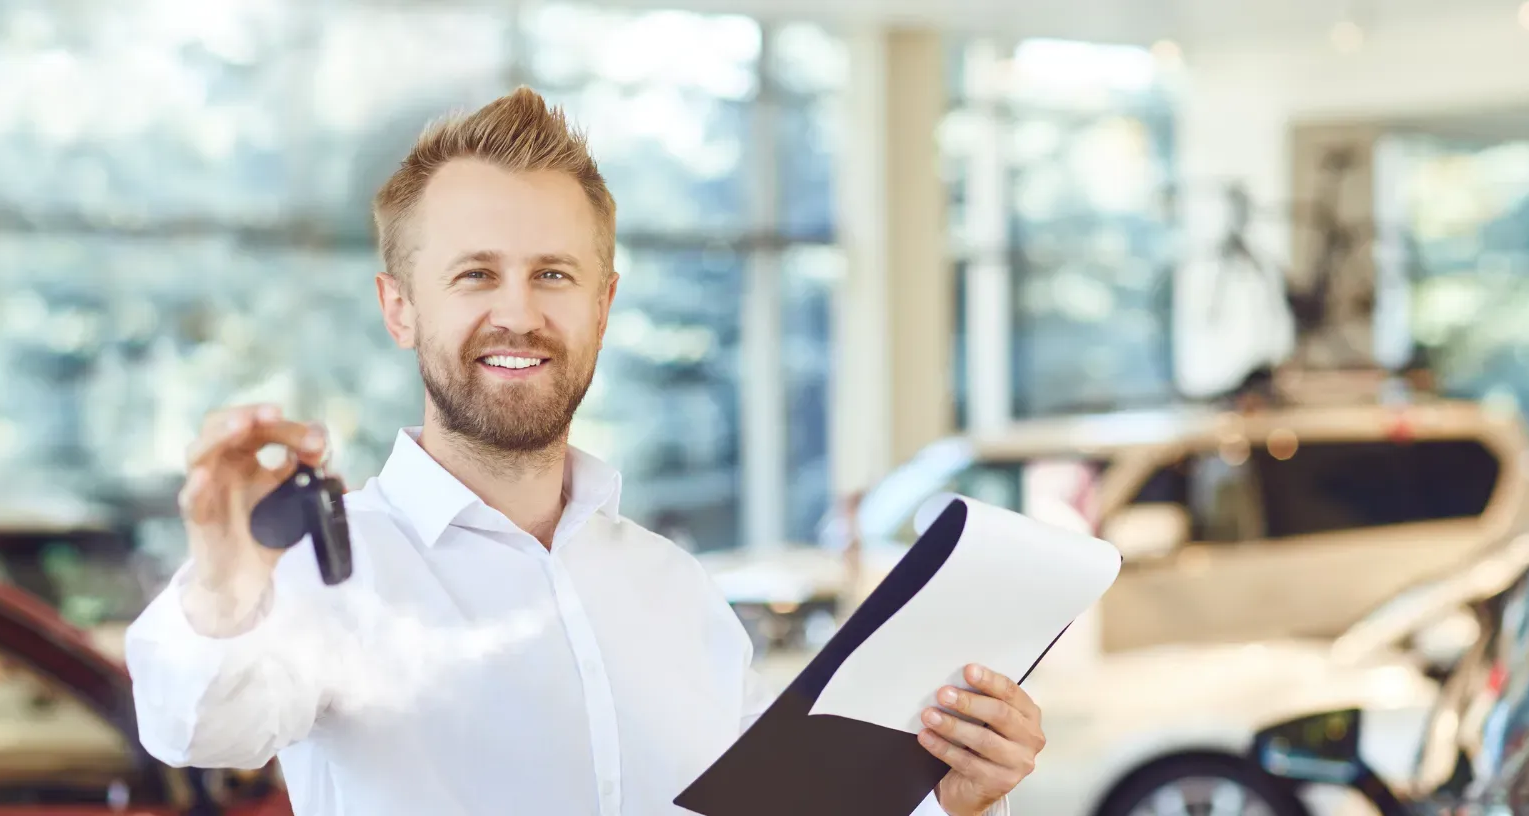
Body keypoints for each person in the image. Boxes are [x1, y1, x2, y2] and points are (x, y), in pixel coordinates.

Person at [124, 87, 1046, 816]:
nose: (518, 312)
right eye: (475, 274)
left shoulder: (674, 588)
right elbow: (198, 728)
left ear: (602, 305)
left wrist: (956, 798)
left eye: (553, 275)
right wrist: (224, 585)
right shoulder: (327, 577)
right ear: (399, 308)